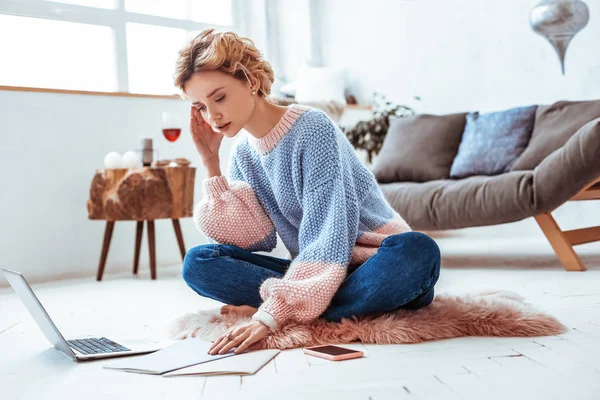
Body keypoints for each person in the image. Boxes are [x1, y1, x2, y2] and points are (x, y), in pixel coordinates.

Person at [173, 29, 441, 356]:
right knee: (199, 262)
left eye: (219, 97)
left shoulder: (312, 128)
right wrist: (210, 162)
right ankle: (317, 304)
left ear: (251, 81)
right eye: (200, 106)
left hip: (372, 264)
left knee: (417, 250)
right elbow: (254, 239)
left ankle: (294, 307)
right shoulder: (243, 152)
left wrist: (270, 315)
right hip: (314, 272)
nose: (211, 116)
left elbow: (329, 233)